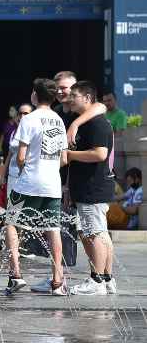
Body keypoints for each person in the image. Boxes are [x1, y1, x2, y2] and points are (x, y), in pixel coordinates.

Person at [29, 70, 107, 293]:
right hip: (59, 182)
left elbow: (100, 106)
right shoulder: (55, 114)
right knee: (59, 231)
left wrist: (75, 125)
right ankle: (58, 277)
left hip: (80, 183)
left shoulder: (83, 113)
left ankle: (100, 279)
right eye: (59, 88)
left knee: (90, 231)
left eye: (67, 89)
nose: (64, 92)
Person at [3, 79, 68, 296]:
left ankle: (16, 274)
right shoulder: (59, 121)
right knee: (53, 229)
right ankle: (58, 280)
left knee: (12, 223)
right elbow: (64, 158)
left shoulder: (29, 119)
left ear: (34, 96)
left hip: (29, 181)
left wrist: (26, 169)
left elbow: (20, 156)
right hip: (52, 184)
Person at [66, 81, 117, 295]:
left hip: (92, 187)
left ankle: (96, 281)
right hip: (89, 187)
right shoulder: (89, 121)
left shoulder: (96, 123)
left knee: (95, 233)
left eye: (74, 96)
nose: (70, 99)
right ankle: (106, 279)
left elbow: (100, 154)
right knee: (100, 233)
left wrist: (69, 155)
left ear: (87, 98)